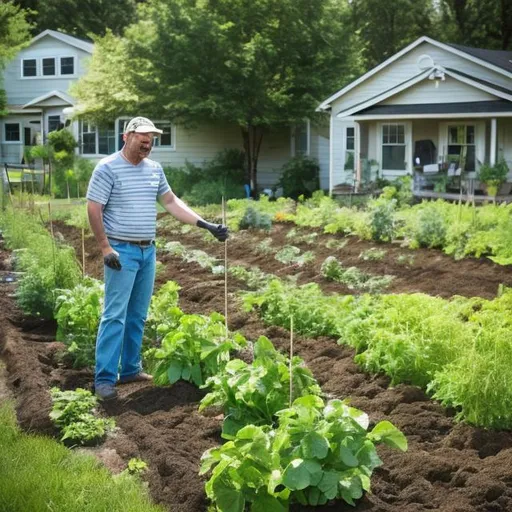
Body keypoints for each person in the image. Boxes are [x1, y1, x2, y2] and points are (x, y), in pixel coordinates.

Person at [86, 116, 228, 400]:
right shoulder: (107, 168)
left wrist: (206, 225)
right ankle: (104, 379)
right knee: (115, 315)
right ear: (127, 137)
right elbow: (93, 208)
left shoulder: (154, 170)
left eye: (151, 138)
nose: (148, 142)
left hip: (147, 250)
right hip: (120, 250)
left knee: (138, 314)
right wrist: (105, 247)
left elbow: (171, 202)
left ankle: (129, 369)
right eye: (142, 137)